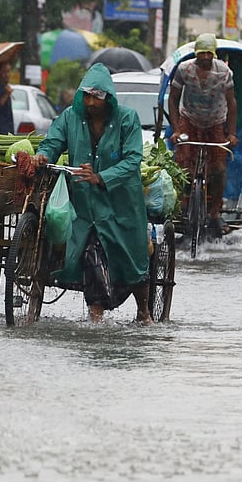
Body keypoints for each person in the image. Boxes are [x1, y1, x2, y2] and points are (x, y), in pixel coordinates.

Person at [34, 64, 152, 324]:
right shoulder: (69, 118)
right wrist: (43, 155)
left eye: (96, 96)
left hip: (122, 202)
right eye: (86, 95)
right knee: (91, 251)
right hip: (85, 205)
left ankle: (143, 310)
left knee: (133, 257)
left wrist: (101, 177)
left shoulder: (127, 119)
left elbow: (133, 159)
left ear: (108, 97)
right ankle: (95, 317)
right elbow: (52, 142)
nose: (90, 102)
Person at [167, 33, 238, 238]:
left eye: (209, 54)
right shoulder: (184, 69)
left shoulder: (224, 72)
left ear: (214, 54)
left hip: (216, 121)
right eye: (201, 54)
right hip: (189, 119)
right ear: (196, 54)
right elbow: (173, 99)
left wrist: (231, 133)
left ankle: (215, 211)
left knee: (219, 167)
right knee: (182, 164)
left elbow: (232, 103)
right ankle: (181, 205)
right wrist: (177, 129)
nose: (205, 58)